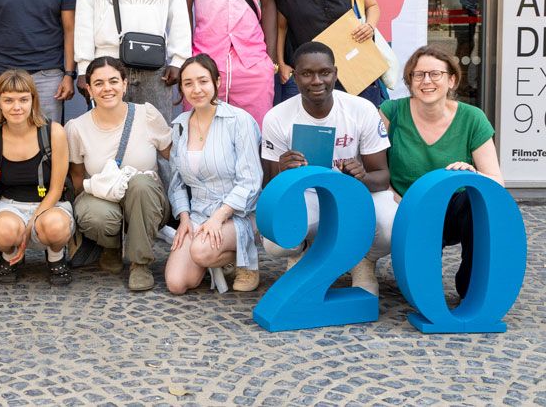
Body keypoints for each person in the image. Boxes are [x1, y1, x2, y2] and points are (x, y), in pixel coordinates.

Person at [261, 42, 395, 295]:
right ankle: (303, 251)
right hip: (307, 196)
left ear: (335, 73)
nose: (316, 81)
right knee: (275, 238)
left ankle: (362, 259)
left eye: (324, 72)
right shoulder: (277, 117)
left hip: (354, 196)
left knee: (391, 225)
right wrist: (282, 172)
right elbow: (269, 187)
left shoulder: (362, 109)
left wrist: (362, 177)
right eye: (307, 73)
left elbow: (382, 178)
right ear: (295, 76)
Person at [379, 45, 502, 299]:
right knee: (422, 291)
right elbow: (375, 168)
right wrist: (395, 198)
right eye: (418, 74)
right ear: (410, 81)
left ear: (452, 80)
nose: (427, 81)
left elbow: (496, 182)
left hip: (455, 211)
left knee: (475, 200)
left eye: (435, 74)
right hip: (406, 207)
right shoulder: (391, 112)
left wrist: (472, 175)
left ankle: (471, 284)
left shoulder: (472, 118)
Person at [66, 56, 172, 291]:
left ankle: (140, 264)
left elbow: (173, 157)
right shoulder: (76, 128)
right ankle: (110, 246)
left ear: (124, 84)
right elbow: (77, 176)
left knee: (141, 183)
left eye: (113, 81)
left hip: (147, 200)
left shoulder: (147, 115)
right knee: (93, 214)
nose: (107, 88)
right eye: (99, 83)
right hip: (103, 199)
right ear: (89, 89)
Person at [165, 54, 262, 294]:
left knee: (201, 251)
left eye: (203, 81)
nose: (196, 89)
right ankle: (214, 254)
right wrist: (184, 218)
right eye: (188, 83)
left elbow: (250, 181)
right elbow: (177, 181)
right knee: (177, 283)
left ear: (217, 82)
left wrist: (219, 217)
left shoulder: (239, 120)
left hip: (237, 213)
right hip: (198, 214)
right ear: (181, 88)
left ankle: (245, 261)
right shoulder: (179, 125)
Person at [0, 70, 75, 285]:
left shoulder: (53, 132)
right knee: (4, 231)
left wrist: (33, 221)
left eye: (23, 99)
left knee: (54, 226)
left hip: (51, 205)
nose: (17, 107)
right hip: (10, 205)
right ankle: (10, 255)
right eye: (8, 100)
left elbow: (57, 189)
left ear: (34, 101)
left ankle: (55, 256)